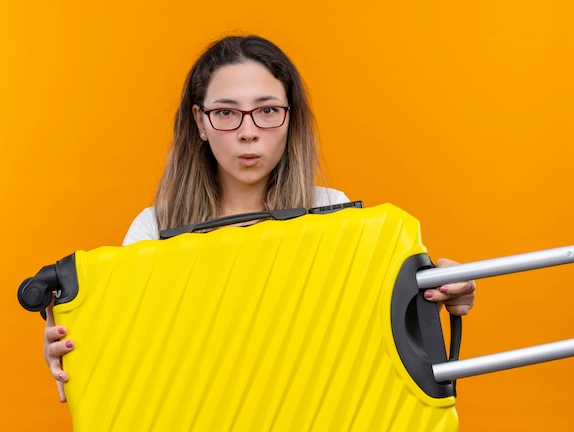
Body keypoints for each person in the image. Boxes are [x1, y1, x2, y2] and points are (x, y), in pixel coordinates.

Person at [44, 34, 476, 402]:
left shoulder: (333, 212)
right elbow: (133, 351)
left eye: (267, 110)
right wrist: (77, 347)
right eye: (227, 112)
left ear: (290, 119)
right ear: (200, 121)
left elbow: (374, 330)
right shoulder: (152, 230)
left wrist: (440, 294)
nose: (248, 130)